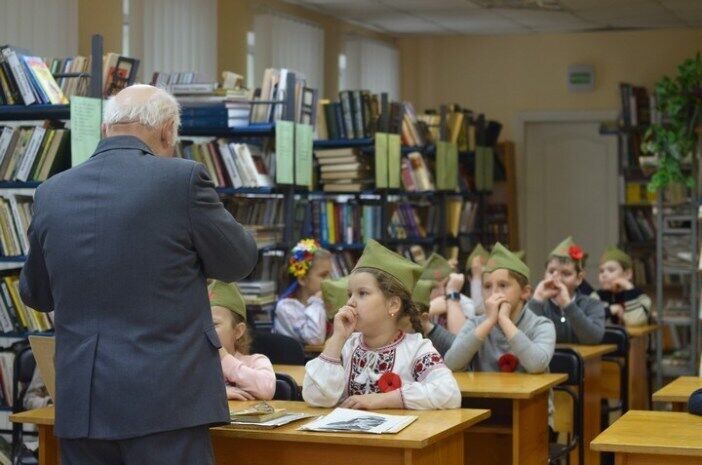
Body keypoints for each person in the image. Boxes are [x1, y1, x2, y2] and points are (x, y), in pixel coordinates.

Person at [19, 85, 258, 465]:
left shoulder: (51, 192)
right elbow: (238, 262)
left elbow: (36, 294)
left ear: (104, 129)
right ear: (166, 132)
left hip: (83, 403)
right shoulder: (181, 180)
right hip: (168, 403)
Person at [302, 240, 461, 410]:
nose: (350, 302)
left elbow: (450, 393)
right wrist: (337, 338)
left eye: (362, 293)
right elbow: (315, 398)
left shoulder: (416, 349)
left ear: (393, 305)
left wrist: (382, 400)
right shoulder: (345, 346)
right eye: (350, 294)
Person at [529, 236, 605, 344]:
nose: (557, 279)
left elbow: (593, 338)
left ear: (579, 279)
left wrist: (568, 305)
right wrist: (536, 301)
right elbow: (524, 338)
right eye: (551, 272)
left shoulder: (592, 304)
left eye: (566, 274)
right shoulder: (536, 304)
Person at [209, 280, 276, 401]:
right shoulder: (195, 365)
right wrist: (217, 392)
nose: (205, 331)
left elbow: (267, 389)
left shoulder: (255, 362)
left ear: (238, 331)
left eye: (213, 324)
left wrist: (224, 359)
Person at [274, 239, 331, 345]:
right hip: (300, 361)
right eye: (323, 275)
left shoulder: (324, 302)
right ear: (302, 279)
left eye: (330, 275)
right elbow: (315, 339)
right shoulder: (286, 307)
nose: (329, 280)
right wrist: (316, 302)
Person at [596, 246, 651, 327]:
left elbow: (635, 322)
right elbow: (588, 319)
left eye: (611, 270)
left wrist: (628, 287)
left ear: (627, 274)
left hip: (633, 339)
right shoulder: (597, 296)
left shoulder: (641, 297)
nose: (604, 275)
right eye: (601, 271)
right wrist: (612, 309)